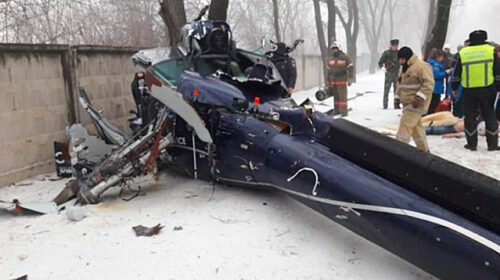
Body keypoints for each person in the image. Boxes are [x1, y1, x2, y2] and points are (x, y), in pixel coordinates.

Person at [451, 30, 500, 151]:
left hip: (469, 90)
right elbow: (497, 72)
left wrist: (454, 88)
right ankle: (492, 145)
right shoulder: (490, 51)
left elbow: (457, 73)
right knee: (490, 116)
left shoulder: (464, 52)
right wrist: (499, 87)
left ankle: (471, 144)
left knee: (470, 117)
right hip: (487, 89)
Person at [395, 46, 435, 152]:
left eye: (402, 59)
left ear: (408, 57)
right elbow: (401, 84)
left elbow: (429, 84)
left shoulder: (422, 66)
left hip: (416, 103)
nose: (400, 61)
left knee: (404, 127)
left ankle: (398, 151)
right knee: (417, 130)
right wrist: (397, 97)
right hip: (407, 103)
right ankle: (424, 151)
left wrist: (418, 98)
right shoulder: (404, 68)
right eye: (399, 59)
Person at [326, 41, 354, 116]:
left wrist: (350, 78)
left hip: (341, 80)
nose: (334, 50)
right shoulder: (331, 59)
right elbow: (329, 71)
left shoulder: (344, 57)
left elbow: (351, 67)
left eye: (336, 48)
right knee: (336, 98)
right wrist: (328, 80)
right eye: (333, 49)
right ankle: (337, 110)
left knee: (343, 98)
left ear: (339, 49)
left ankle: (344, 112)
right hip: (334, 82)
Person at [378, 39, 400, 109]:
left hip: (397, 74)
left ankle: (396, 104)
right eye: (394, 46)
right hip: (389, 74)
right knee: (386, 90)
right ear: (391, 45)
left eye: (396, 46)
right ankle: (385, 105)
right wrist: (383, 69)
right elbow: (380, 62)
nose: (395, 47)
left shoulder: (399, 53)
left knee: (397, 91)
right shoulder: (387, 53)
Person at [426, 48, 447, 114]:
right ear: (438, 56)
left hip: (434, 88)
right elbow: (436, 75)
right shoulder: (435, 65)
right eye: (442, 57)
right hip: (435, 88)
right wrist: (445, 73)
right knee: (434, 105)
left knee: (433, 104)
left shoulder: (430, 63)